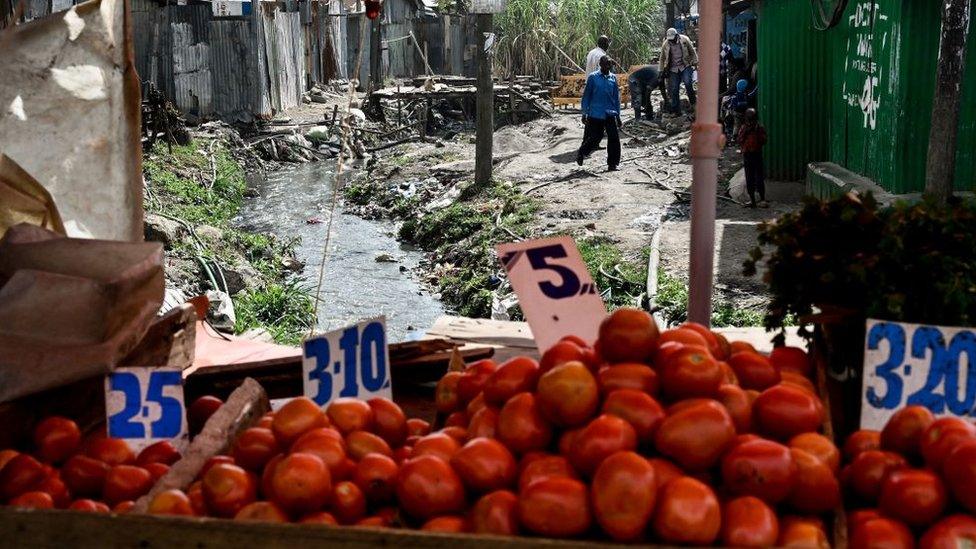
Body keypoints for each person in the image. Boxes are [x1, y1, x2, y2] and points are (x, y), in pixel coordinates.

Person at [577, 55, 621, 171]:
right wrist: (584, 113)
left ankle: (612, 164)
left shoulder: (613, 78)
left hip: (610, 113)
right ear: (600, 65)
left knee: (613, 138)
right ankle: (582, 152)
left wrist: (618, 115)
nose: (608, 66)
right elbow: (587, 96)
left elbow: (616, 98)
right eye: (606, 64)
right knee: (595, 137)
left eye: (609, 65)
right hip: (595, 113)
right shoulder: (593, 77)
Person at [659, 27, 698, 115]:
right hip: (673, 68)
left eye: (673, 39)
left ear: (677, 36)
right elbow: (662, 59)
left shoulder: (685, 40)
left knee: (688, 83)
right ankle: (676, 110)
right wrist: (661, 71)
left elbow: (692, 52)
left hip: (685, 65)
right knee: (674, 89)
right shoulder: (665, 44)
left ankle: (693, 103)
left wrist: (695, 63)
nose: (671, 41)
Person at [736, 108, 767, 208]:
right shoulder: (759, 127)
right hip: (757, 154)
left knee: (750, 177)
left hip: (748, 155)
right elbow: (764, 140)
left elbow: (739, 140)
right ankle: (762, 199)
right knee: (759, 177)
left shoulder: (744, 128)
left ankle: (753, 201)